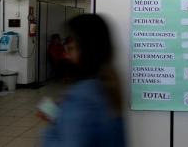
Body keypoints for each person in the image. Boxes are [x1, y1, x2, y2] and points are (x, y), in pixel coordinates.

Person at [41, 14, 126, 147]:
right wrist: (63, 114)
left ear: (87, 51)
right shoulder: (106, 86)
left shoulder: (81, 97)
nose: (66, 55)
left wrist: (52, 128)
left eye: (71, 49)